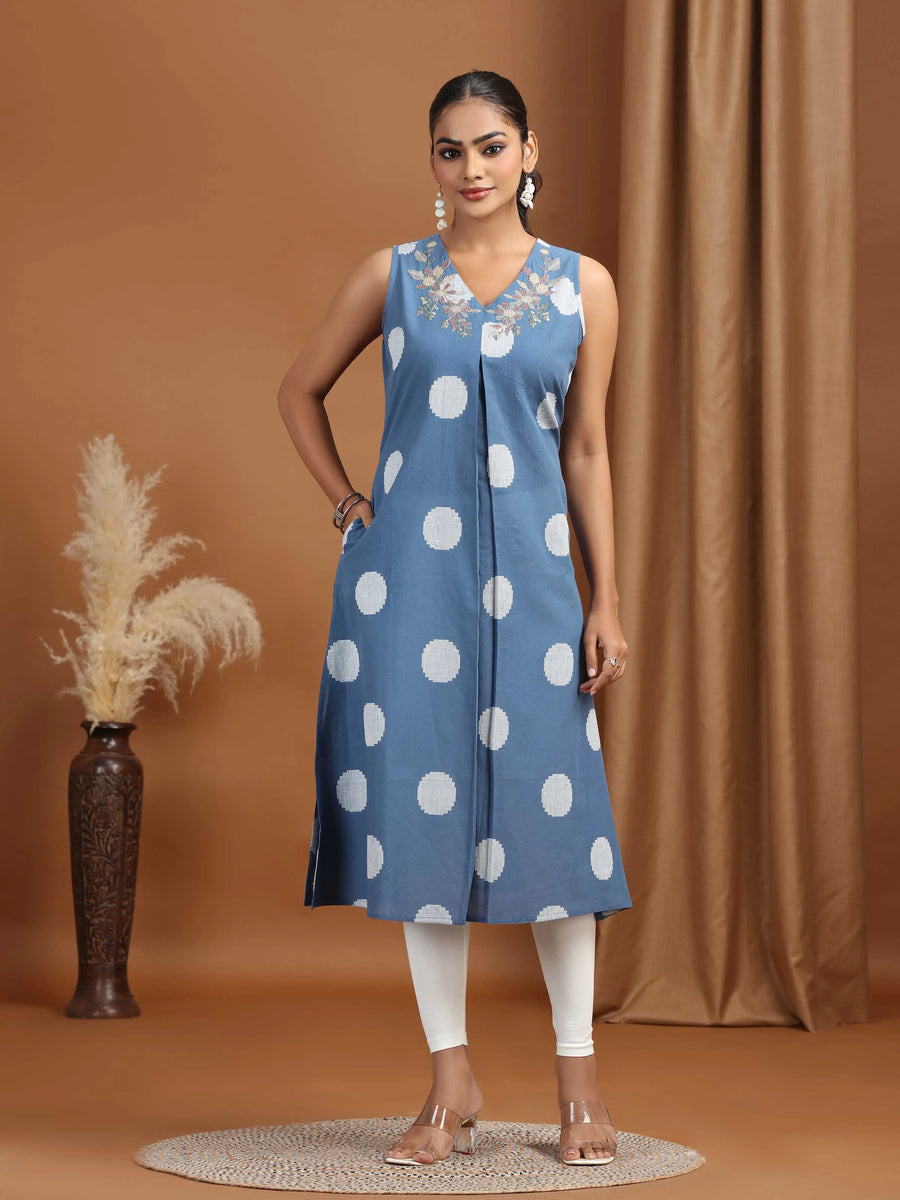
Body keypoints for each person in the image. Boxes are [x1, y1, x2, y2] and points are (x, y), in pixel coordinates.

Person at [277, 69, 632, 1168]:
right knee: (422, 828)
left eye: (490, 145)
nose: (471, 168)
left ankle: (579, 1086)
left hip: (537, 586)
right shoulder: (392, 275)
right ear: (431, 161)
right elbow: (298, 390)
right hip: (407, 593)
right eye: (449, 149)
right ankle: (449, 1081)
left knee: (556, 826)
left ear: (529, 151)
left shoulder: (583, 286)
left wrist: (607, 600)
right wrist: (351, 506)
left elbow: (586, 449)